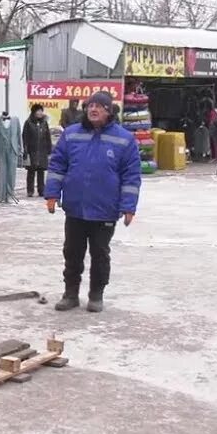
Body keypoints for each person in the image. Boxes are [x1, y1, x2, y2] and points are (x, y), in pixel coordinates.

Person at [44, 91, 142, 313]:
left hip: (105, 210)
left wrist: (128, 207)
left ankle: (96, 295)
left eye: (99, 106)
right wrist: (52, 194)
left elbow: (131, 177)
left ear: (109, 111)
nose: (93, 109)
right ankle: (70, 294)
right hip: (75, 208)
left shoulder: (124, 139)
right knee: (72, 252)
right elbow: (57, 166)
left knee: (99, 254)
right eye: (90, 106)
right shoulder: (70, 135)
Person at [22, 105, 53, 197]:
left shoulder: (44, 123)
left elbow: (48, 136)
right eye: (38, 111)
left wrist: (49, 149)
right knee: (31, 171)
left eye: (41, 111)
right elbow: (25, 137)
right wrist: (26, 150)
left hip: (42, 150)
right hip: (32, 150)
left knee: (41, 171)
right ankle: (30, 190)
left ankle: (41, 190)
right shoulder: (28, 123)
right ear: (34, 112)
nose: (40, 113)